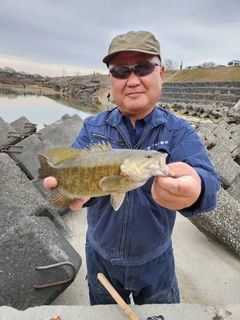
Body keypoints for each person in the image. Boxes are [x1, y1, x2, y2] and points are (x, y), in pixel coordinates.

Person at [44, 30, 220, 305]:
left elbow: (208, 181)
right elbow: (80, 179)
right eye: (121, 71)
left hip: (156, 260)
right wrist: (75, 194)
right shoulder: (92, 128)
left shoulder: (179, 132)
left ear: (161, 73)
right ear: (111, 79)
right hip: (100, 255)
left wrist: (197, 189)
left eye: (143, 67)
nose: (133, 80)